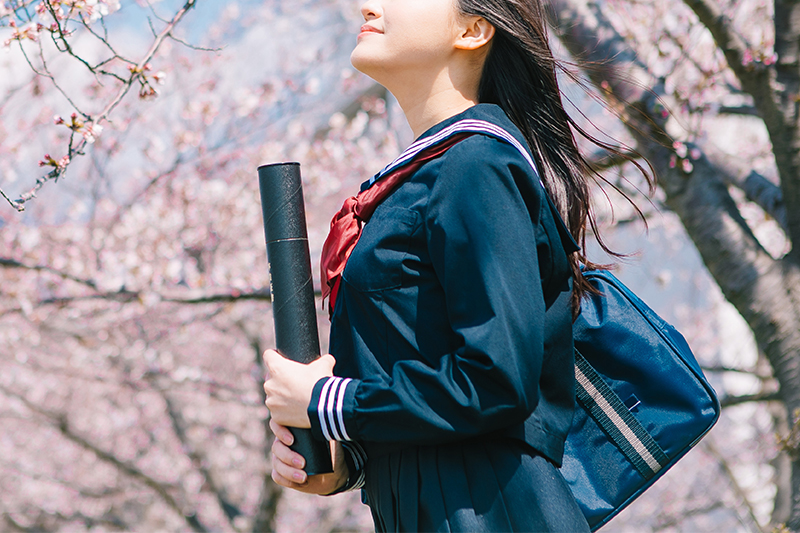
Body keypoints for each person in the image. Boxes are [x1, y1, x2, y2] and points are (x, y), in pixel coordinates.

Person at [262, 0, 643, 530]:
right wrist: (347, 462)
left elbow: (494, 380)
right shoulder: (429, 176)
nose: (368, 5)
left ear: (473, 29)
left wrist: (329, 402)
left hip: (488, 511)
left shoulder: (475, 167)